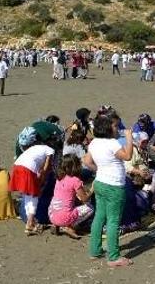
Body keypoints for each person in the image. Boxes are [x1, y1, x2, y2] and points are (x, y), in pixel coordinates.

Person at [82, 114, 134, 267]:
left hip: (100, 182)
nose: (117, 128)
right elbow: (128, 156)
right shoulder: (112, 143)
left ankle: (95, 251)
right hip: (114, 186)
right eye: (115, 126)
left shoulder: (94, 142)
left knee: (99, 217)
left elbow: (87, 161)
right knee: (113, 221)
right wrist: (129, 138)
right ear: (108, 128)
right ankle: (113, 257)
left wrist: (101, 169)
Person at [10, 142, 55, 234]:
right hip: (28, 168)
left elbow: (40, 166)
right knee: (34, 195)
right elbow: (46, 168)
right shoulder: (50, 150)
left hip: (17, 166)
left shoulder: (36, 148)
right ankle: (30, 223)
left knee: (27, 194)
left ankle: (29, 222)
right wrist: (42, 181)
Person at [48, 154, 94, 239]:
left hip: (52, 214)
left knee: (64, 203)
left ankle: (56, 224)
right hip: (64, 217)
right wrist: (92, 189)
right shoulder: (75, 181)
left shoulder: (59, 178)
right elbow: (84, 198)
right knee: (90, 208)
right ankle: (69, 227)